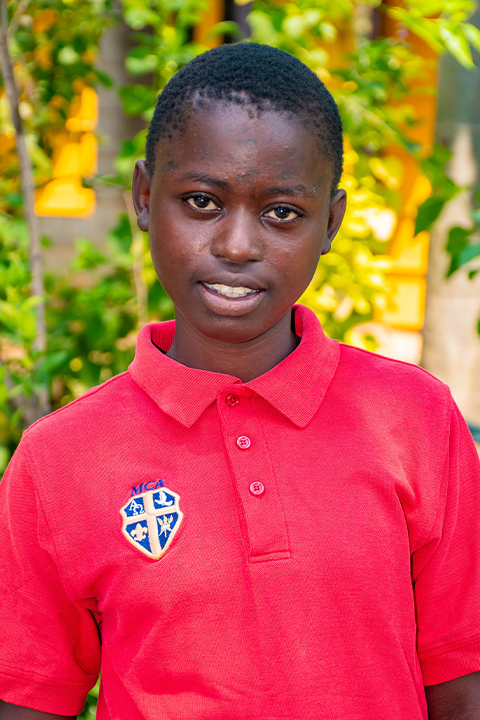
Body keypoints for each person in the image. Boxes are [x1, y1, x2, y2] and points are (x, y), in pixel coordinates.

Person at [0, 42, 480, 720]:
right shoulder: (60, 461)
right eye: (202, 201)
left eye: (281, 212)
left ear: (330, 223)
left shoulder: (413, 419)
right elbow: (27, 698)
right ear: (145, 198)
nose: (236, 246)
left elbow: (463, 681)